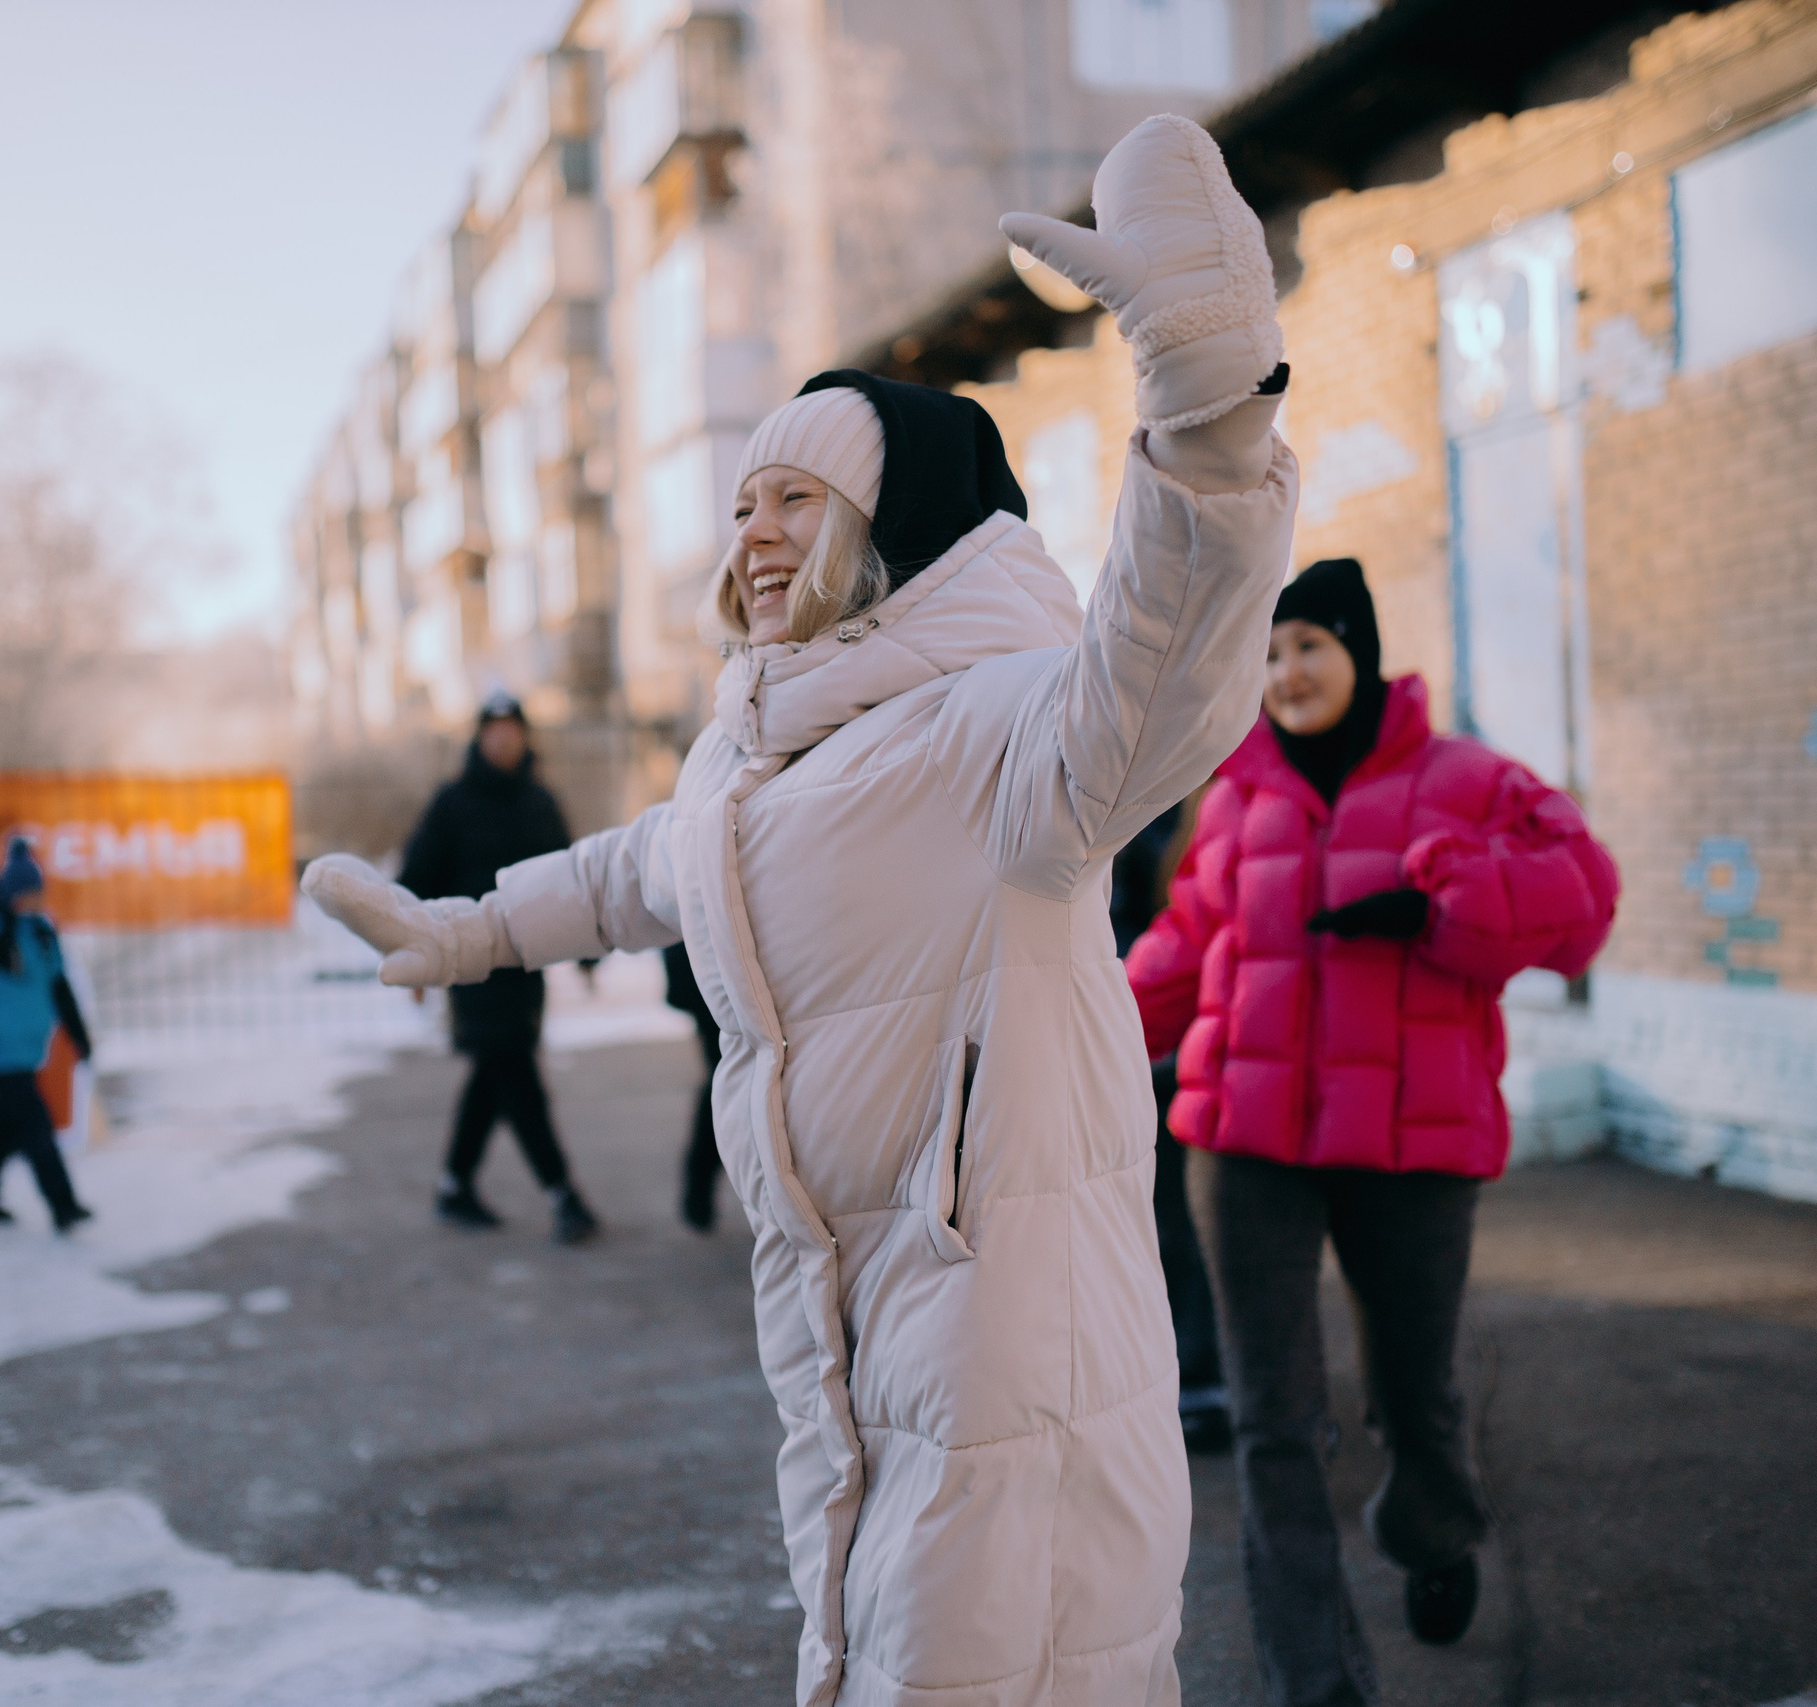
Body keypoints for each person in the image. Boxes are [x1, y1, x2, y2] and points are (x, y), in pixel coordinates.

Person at [309, 114, 1296, 1705]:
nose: (753, 533)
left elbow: (1169, 659)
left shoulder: (1002, 725)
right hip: (841, 1326)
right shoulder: (753, 757)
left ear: (884, 529)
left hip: (1005, 1333)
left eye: (796, 499)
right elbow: (645, 865)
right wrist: (473, 929)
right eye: (745, 502)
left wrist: (1210, 416)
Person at [1126, 557, 1620, 1704]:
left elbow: (1584, 896)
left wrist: (1447, 898)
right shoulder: (1234, 792)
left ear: (1357, 648)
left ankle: (1434, 1527)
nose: (1285, 672)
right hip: (1243, 1143)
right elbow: (1184, 948)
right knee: (1273, 1421)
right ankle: (1316, 1678)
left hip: (1412, 1146)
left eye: (1307, 644)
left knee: (1414, 1394)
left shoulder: (1466, 779)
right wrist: (1065, 1030)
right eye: (1266, 653)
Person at [396, 692, 599, 1246]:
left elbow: (570, 881)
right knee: (515, 1073)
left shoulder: (539, 801)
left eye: (513, 728)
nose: (503, 737)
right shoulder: (453, 803)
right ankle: (563, 1194)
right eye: (494, 728)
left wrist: (588, 951)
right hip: (471, 965)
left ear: (525, 736)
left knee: (494, 1075)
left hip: (527, 964)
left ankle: (453, 1186)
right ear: (479, 736)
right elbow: (415, 879)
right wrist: (413, 958)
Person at [1112, 804, 1231, 1455]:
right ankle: (1196, 1375)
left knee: (1195, 1224)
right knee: (1175, 1223)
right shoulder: (1146, 809)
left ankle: (1205, 1375)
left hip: (1197, 1041)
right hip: (1157, 1038)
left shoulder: (1214, 797)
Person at [0, 840, 94, 1231]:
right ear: (13, 895)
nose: (36, 900)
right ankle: (62, 1204)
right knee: (35, 1125)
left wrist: (78, 1035)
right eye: (29, 893)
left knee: (6, 1125)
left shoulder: (42, 934)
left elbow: (59, 987)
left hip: (29, 1046)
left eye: (39, 892)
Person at [663, 941, 723, 1232]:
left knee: (727, 1078)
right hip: (708, 969)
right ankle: (699, 1182)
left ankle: (699, 1184)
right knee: (726, 1079)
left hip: (711, 968)